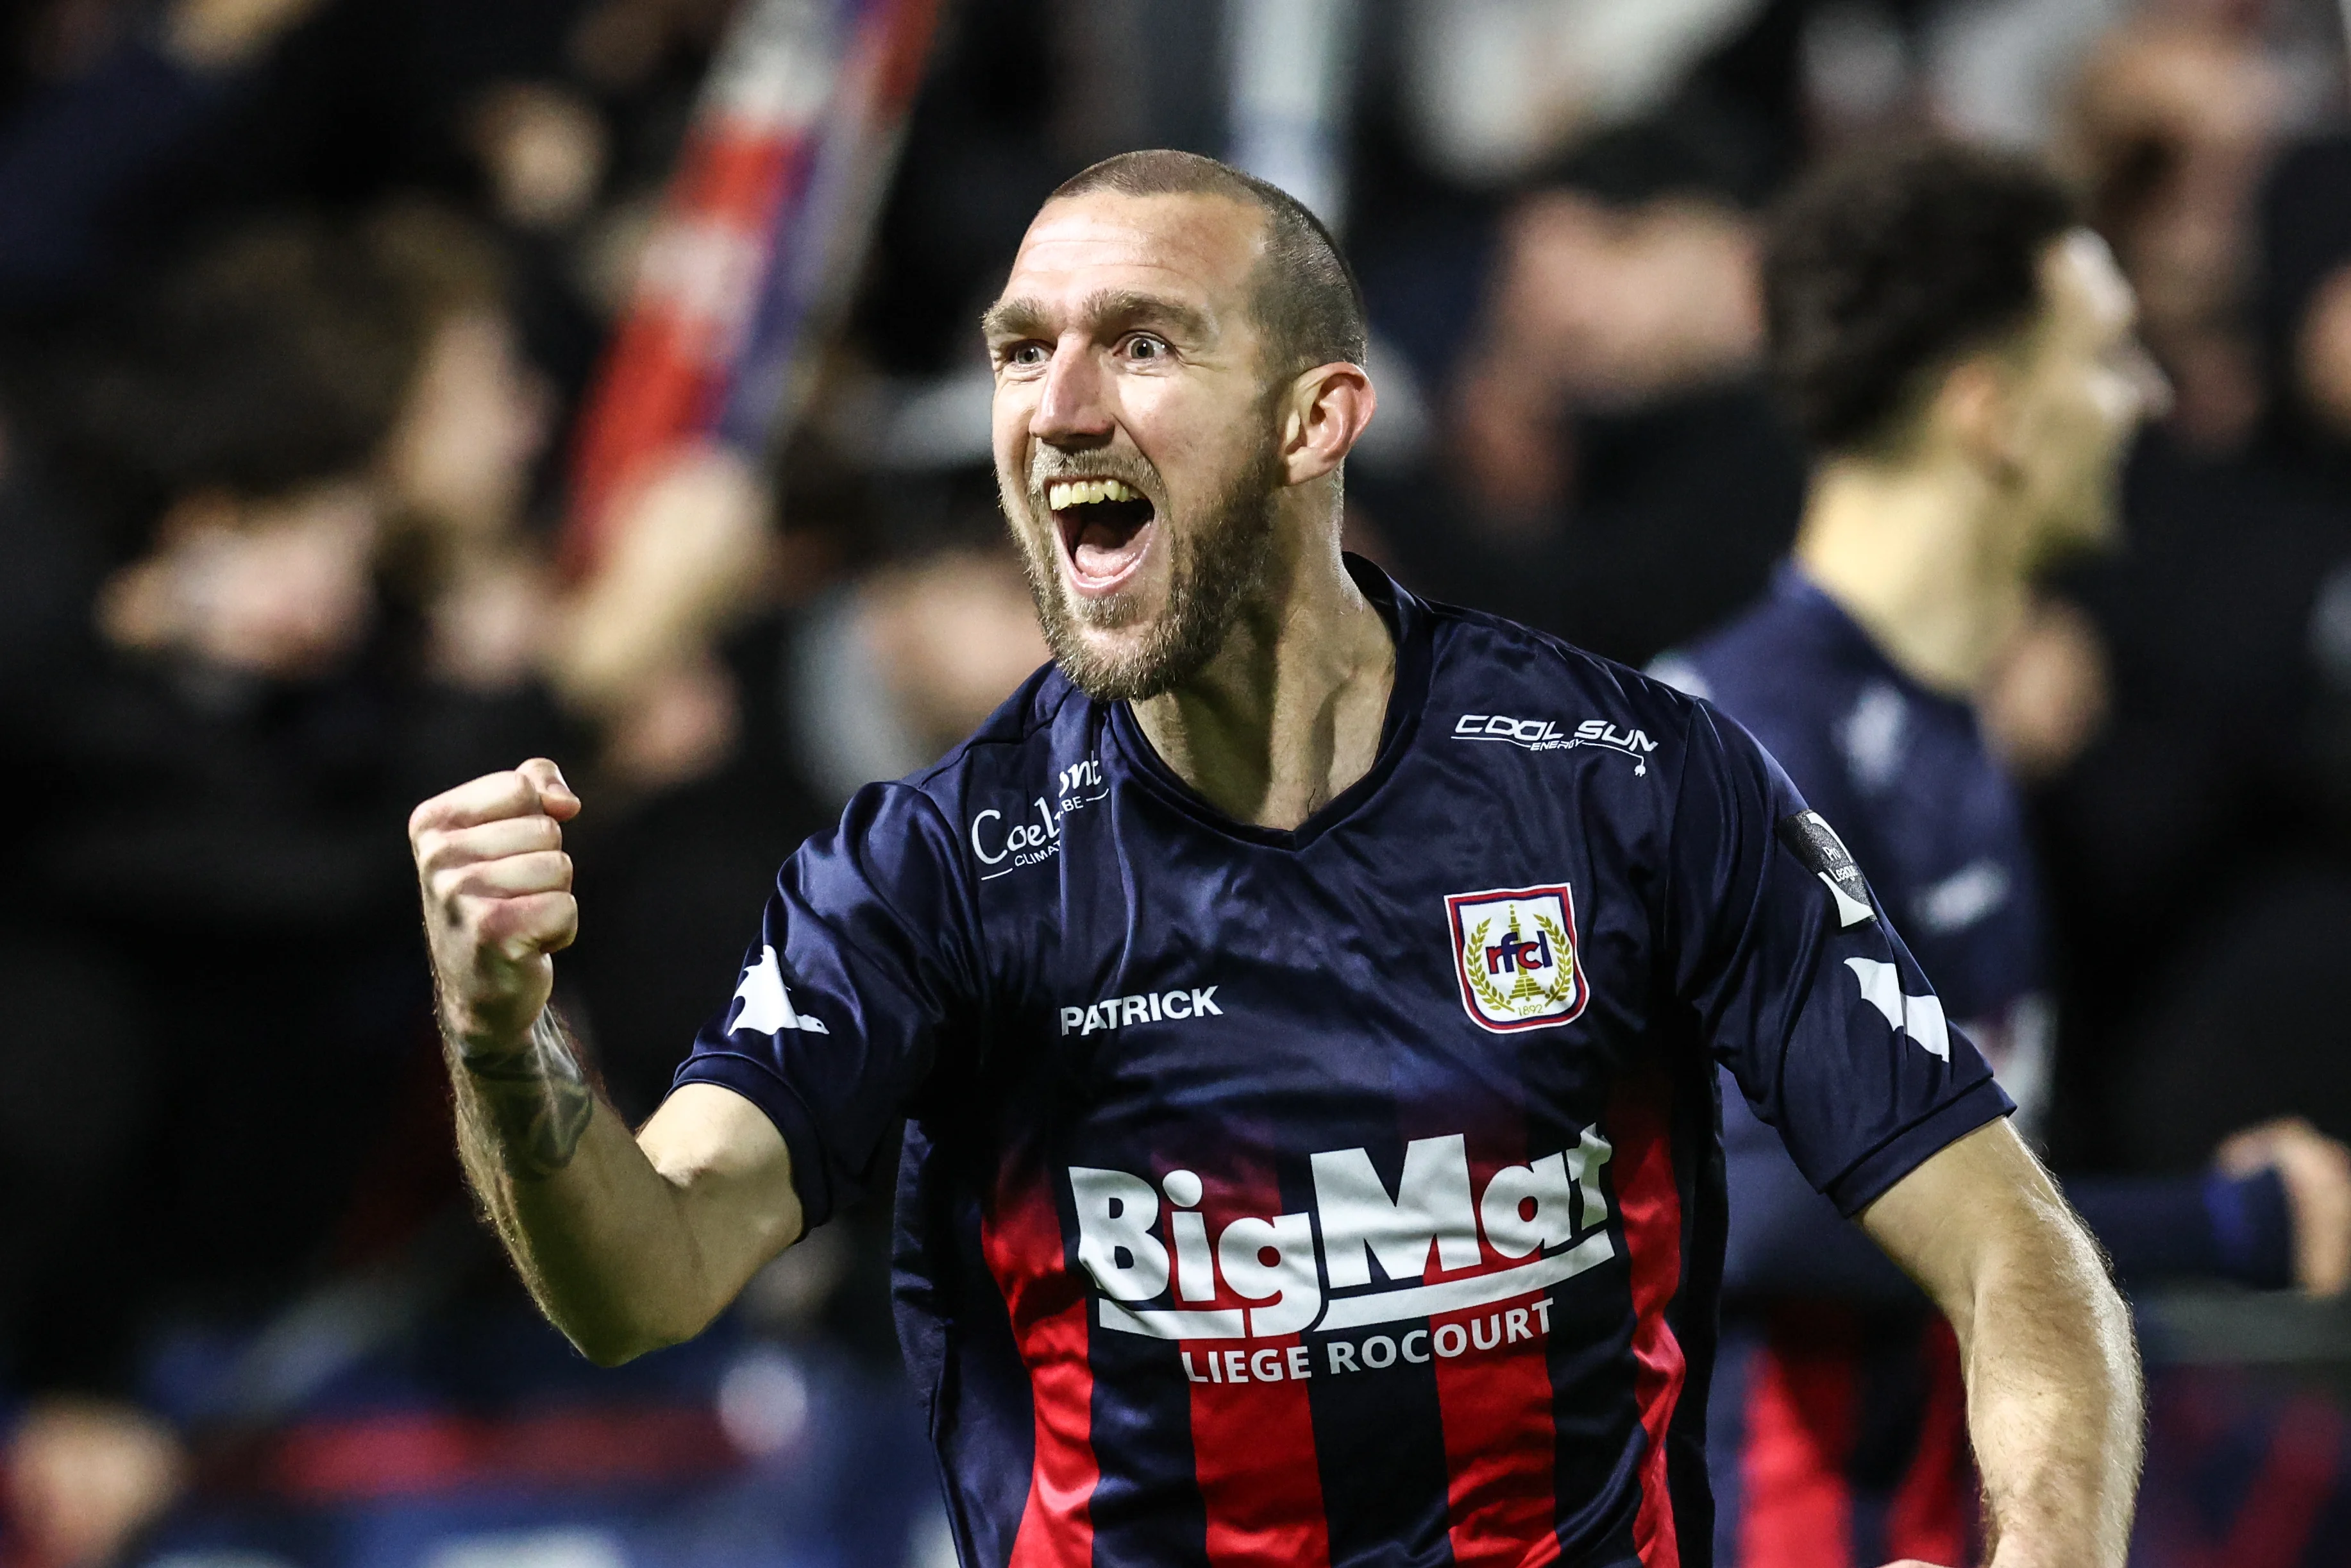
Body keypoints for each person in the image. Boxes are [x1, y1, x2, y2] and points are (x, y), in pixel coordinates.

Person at [409, 149, 2139, 1567]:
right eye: (1023, 351)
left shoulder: (1635, 787)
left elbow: (2011, 1245)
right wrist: (505, 1039)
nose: (1059, 407)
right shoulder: (934, 870)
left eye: (1142, 344)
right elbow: (646, 1277)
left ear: (1319, 418)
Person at [1653, 142, 2351, 1568]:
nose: (2145, 400)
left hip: (1945, 1502)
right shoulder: (1742, 744)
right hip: (1781, 1518)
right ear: (1991, 413)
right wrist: (2229, 1221)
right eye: (2104, 358)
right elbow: (1773, 1213)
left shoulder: (1943, 722)